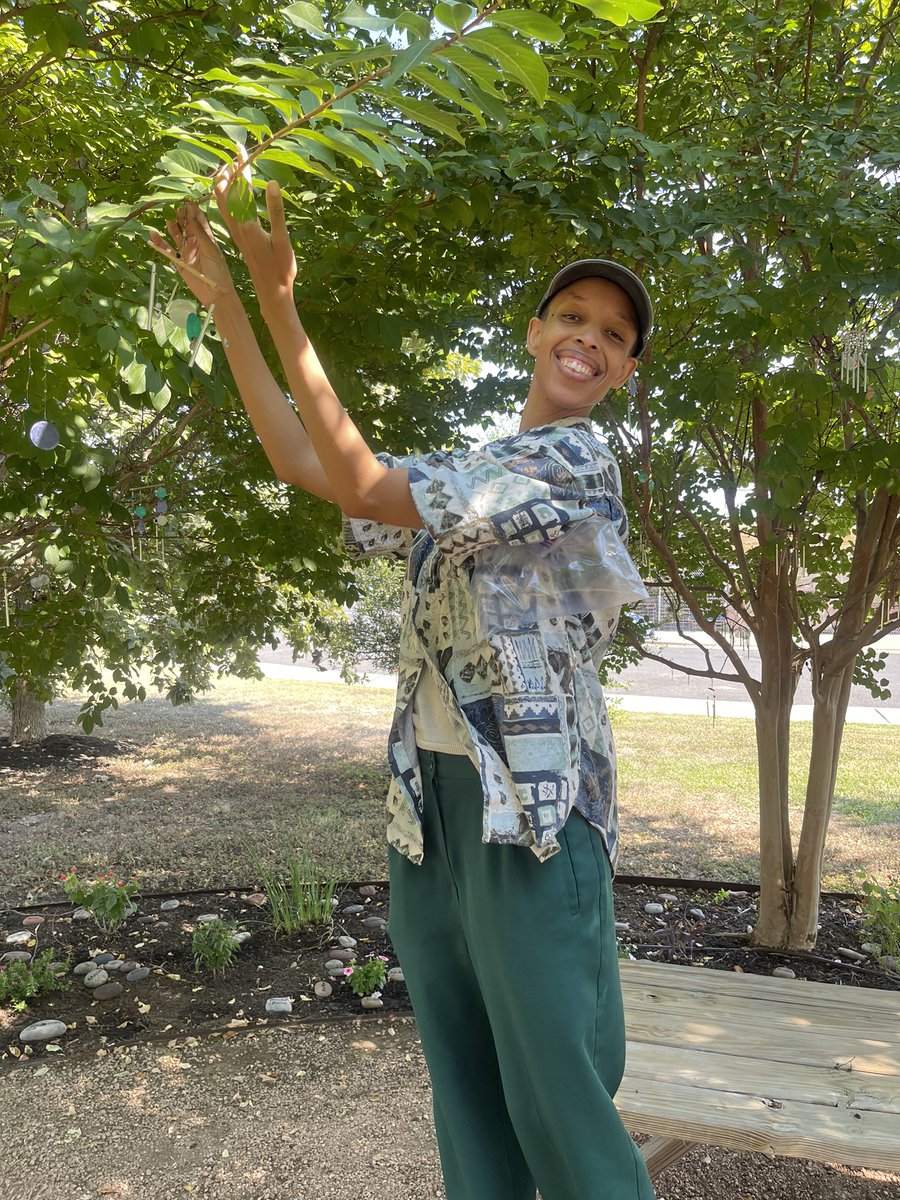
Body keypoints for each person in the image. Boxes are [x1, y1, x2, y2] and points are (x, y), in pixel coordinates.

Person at [151, 174, 657, 1200]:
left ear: (626, 370)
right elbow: (314, 464)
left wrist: (280, 299)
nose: (589, 339)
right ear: (533, 332)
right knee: (468, 1101)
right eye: (573, 316)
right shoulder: (477, 465)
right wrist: (229, 310)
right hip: (429, 812)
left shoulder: (573, 463)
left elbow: (369, 482)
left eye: (612, 334)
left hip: (533, 824)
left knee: (561, 1110)